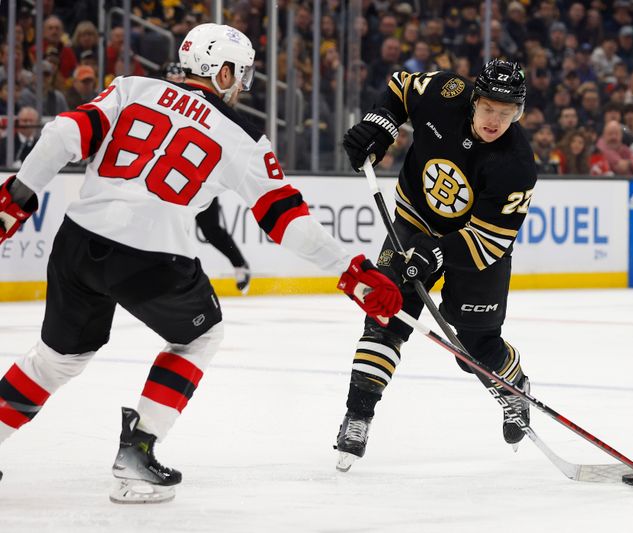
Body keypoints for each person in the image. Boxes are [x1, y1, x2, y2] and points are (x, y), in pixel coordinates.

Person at [0, 23, 402, 502]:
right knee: (200, 334)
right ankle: (138, 451)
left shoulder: (133, 87)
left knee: (54, 360)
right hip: (151, 256)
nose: (242, 84)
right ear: (223, 70)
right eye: (241, 73)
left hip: (78, 241)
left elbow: (62, 133)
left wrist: (16, 199)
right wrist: (351, 270)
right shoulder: (244, 137)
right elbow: (286, 221)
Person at [335, 59, 537, 471]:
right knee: (385, 315)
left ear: (518, 113)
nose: (495, 120)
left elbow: (489, 240)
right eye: (488, 108)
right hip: (414, 221)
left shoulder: (516, 165)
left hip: (472, 246)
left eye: (506, 112)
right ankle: (358, 416)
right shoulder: (444, 93)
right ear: (474, 100)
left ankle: (514, 386)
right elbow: (400, 86)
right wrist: (379, 125)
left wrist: (438, 252)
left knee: (474, 349)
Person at [164, 61, 252, 293]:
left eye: (178, 81)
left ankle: (240, 264)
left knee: (211, 229)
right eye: (171, 82)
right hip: (168, 177)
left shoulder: (208, 106)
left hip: (197, 178)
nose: (176, 86)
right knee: (169, 228)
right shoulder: (161, 101)